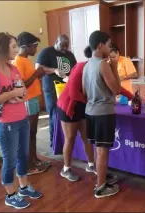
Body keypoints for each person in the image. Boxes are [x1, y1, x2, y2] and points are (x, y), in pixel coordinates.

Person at [0, 32, 41, 209]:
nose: (17, 50)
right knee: (10, 159)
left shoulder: (13, 68)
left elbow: (23, 90)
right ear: (1, 47)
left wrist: (18, 96)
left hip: (22, 118)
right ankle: (10, 194)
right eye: (13, 46)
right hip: (5, 123)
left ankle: (23, 187)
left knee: (23, 155)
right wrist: (12, 95)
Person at [57, 50, 134, 182]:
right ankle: (66, 168)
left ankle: (91, 165)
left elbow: (116, 87)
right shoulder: (83, 66)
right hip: (69, 105)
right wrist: (94, 101)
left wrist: (133, 97)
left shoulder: (104, 66)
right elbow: (73, 92)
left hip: (86, 107)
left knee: (87, 137)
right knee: (70, 137)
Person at [82, 31, 121, 198]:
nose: (110, 48)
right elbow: (117, 89)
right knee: (102, 151)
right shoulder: (103, 64)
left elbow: (84, 91)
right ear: (100, 45)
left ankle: (101, 178)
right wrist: (114, 66)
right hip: (103, 113)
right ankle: (100, 187)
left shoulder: (86, 64)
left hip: (90, 112)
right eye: (108, 45)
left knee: (98, 150)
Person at [13, 32, 50, 176]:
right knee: (29, 133)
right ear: (26, 46)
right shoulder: (18, 61)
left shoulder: (26, 60)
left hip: (33, 99)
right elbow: (21, 87)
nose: (36, 50)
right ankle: (29, 165)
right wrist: (36, 74)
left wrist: (38, 74)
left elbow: (31, 78)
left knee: (33, 132)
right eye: (34, 46)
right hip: (27, 100)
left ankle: (34, 159)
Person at [35, 35, 77, 147]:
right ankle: (54, 143)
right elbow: (38, 68)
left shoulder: (69, 54)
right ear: (56, 41)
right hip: (52, 90)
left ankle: (67, 142)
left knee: (67, 115)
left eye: (66, 46)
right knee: (55, 114)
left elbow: (75, 69)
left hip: (67, 89)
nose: (64, 49)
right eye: (62, 45)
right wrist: (54, 70)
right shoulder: (47, 52)